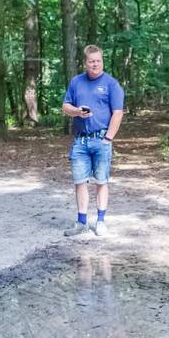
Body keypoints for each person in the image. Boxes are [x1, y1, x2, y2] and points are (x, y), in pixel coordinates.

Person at [61, 45, 124, 237]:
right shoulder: (76, 82)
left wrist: (108, 138)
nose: (95, 64)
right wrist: (77, 111)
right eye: (91, 61)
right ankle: (81, 222)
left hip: (101, 139)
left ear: (102, 61)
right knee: (79, 182)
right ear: (85, 62)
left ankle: (101, 221)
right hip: (80, 141)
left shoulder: (112, 84)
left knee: (101, 182)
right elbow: (65, 106)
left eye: (98, 60)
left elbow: (118, 113)